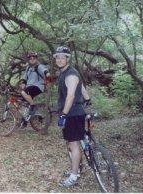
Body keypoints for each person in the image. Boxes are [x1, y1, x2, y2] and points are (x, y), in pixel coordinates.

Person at [54, 46, 91, 188]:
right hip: (75, 112)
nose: (60, 59)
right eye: (57, 57)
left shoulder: (70, 74)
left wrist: (63, 114)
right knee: (71, 143)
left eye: (63, 57)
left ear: (68, 59)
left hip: (72, 113)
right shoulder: (67, 73)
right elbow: (80, 88)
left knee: (74, 145)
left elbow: (70, 95)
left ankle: (74, 175)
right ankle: (76, 168)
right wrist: (87, 99)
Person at [19, 51, 50, 122]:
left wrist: (48, 74)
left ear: (36, 59)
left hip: (38, 86)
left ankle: (33, 106)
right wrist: (23, 83)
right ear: (29, 60)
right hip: (29, 87)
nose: (32, 59)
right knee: (24, 104)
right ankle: (25, 121)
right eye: (30, 58)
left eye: (34, 58)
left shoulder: (39, 66)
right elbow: (24, 78)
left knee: (24, 92)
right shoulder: (28, 68)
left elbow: (45, 71)